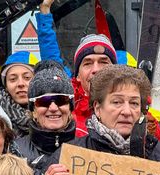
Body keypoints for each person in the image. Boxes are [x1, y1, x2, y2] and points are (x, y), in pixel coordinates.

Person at [36, 0, 117, 137]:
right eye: (87, 63)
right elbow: (51, 56)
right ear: (77, 75)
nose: (96, 69)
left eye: (103, 62)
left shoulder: (130, 109)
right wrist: (45, 10)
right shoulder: (65, 105)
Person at [15, 61, 76, 175]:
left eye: (61, 100)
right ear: (33, 111)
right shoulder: (14, 152)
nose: (53, 108)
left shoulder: (86, 149)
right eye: (44, 101)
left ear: (70, 108)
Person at [0, 51, 39, 137]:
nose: (20, 84)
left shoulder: (52, 112)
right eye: (13, 79)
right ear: (6, 86)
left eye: (27, 78)